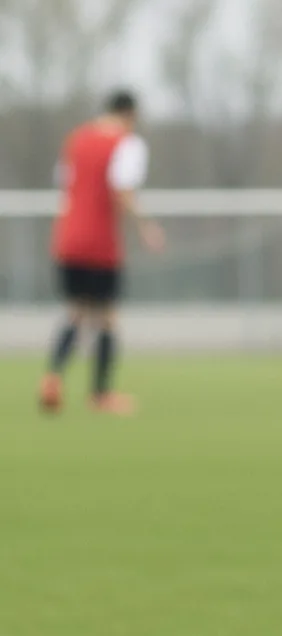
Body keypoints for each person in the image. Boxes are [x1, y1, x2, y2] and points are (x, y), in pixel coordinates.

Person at [38, 90, 165, 415]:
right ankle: (100, 394)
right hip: (100, 242)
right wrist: (145, 226)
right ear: (130, 115)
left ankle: (52, 378)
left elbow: (64, 183)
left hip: (68, 238)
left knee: (75, 311)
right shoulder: (126, 144)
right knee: (107, 317)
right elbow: (121, 189)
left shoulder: (76, 140)